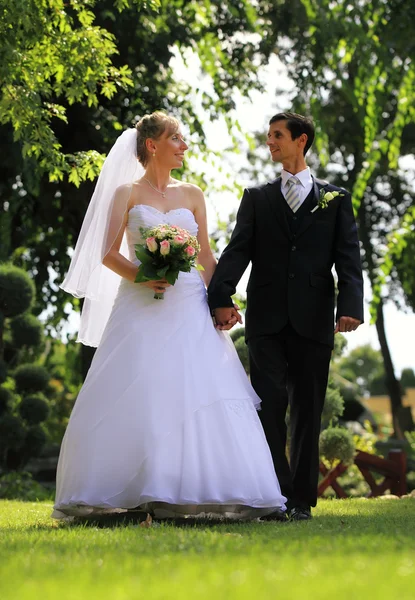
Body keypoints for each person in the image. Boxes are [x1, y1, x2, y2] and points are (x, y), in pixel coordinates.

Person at [52, 111, 286, 521]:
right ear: (152, 145)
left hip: (189, 302)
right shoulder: (126, 192)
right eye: (176, 137)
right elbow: (107, 253)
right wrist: (144, 276)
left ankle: (200, 489)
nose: (184, 145)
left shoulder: (193, 194)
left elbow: (207, 256)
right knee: (140, 388)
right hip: (138, 304)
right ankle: (131, 489)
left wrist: (222, 300)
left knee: (197, 388)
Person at [208, 112, 364, 521]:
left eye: (277, 136)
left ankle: (300, 501)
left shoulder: (336, 198)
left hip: (314, 320)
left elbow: (349, 257)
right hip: (267, 320)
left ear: (301, 140)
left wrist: (350, 306)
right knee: (270, 404)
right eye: (269, 136)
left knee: (308, 410)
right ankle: (273, 496)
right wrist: (220, 294)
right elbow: (238, 249)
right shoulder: (257, 198)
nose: (270, 143)